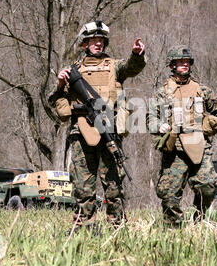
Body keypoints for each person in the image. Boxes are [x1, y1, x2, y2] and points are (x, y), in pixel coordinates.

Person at [49, 20, 145, 230]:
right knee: (83, 186)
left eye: (101, 40)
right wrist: (59, 84)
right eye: (93, 39)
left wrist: (137, 54)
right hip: (81, 134)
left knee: (113, 186)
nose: (98, 44)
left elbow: (132, 67)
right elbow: (57, 102)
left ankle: (117, 228)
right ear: (85, 43)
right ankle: (84, 228)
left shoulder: (114, 66)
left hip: (109, 133)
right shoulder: (73, 70)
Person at [148, 45, 217, 227]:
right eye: (180, 62)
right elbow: (150, 118)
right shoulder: (162, 93)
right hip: (174, 150)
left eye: (187, 62)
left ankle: (199, 220)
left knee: (208, 186)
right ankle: (174, 228)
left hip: (200, 146)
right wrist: (159, 126)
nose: (184, 65)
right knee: (169, 194)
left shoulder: (202, 90)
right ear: (172, 65)